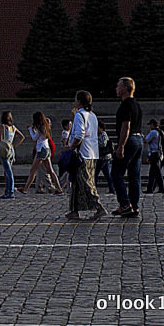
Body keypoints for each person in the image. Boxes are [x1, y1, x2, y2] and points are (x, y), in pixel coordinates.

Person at [65, 91, 107, 221]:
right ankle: (74, 209)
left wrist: (71, 146)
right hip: (92, 152)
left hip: (82, 153)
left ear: (79, 101)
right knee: (77, 182)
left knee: (85, 181)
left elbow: (79, 134)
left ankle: (99, 206)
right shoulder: (92, 115)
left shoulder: (80, 115)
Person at [111, 77, 144, 218]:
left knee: (116, 173)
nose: (116, 88)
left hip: (129, 141)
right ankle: (135, 206)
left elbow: (126, 125)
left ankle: (125, 204)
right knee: (134, 176)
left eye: (118, 86)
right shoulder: (137, 104)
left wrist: (121, 146)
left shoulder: (125, 105)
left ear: (125, 88)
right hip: (138, 140)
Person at [19, 112, 63, 196]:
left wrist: (30, 129)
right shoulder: (46, 127)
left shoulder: (40, 128)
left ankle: (25, 189)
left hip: (41, 149)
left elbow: (34, 137)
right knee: (51, 171)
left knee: (33, 170)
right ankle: (59, 189)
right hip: (46, 148)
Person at [0, 111, 24, 200]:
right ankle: (7, 191)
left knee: (8, 172)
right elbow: (22, 137)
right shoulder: (13, 127)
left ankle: (10, 192)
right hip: (11, 149)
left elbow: (0, 139)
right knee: (7, 171)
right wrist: (14, 145)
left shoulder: (3, 126)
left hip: (5, 149)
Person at [145, 119, 164, 194]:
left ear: (153, 125)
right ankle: (150, 188)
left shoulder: (153, 132)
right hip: (158, 153)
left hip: (154, 153)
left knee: (156, 172)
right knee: (153, 172)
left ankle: (161, 188)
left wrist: (142, 136)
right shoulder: (160, 132)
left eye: (150, 124)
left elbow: (146, 140)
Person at [96, 125, 115, 194]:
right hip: (103, 157)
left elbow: (103, 144)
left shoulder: (103, 134)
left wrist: (95, 142)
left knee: (95, 174)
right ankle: (112, 189)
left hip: (104, 157)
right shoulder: (98, 134)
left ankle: (94, 189)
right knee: (107, 175)